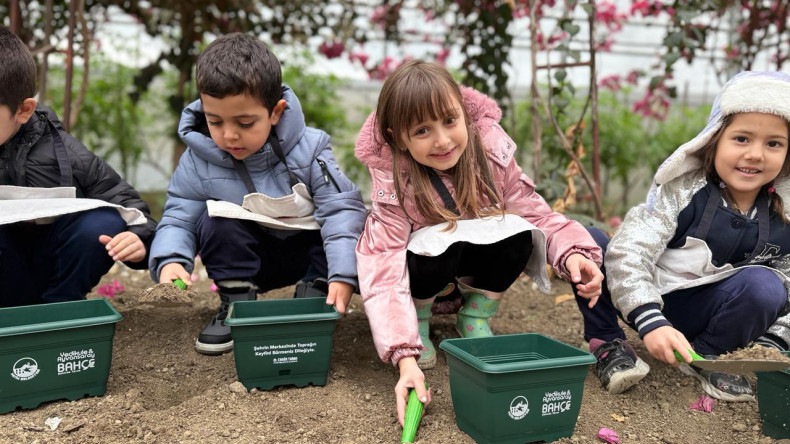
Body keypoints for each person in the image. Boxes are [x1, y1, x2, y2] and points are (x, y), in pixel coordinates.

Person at [354, 60, 604, 426]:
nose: (442, 140)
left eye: (450, 121)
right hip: (422, 280)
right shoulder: (395, 180)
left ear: (465, 114)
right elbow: (383, 262)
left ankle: (474, 314)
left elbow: (536, 214)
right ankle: (419, 324)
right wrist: (404, 356)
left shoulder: (491, 154)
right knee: (427, 244)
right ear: (397, 138)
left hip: (469, 272)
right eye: (422, 130)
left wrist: (573, 253)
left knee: (518, 231)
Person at [575, 71, 790, 402]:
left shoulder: (784, 214)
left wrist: (774, 342)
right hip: (641, 297)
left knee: (766, 285)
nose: (755, 154)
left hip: (708, 310)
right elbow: (630, 251)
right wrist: (651, 320)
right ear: (714, 138)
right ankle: (606, 341)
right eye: (742, 139)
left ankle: (706, 355)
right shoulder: (681, 191)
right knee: (589, 243)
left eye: (773, 143)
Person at [149, 33, 367, 355]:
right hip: (250, 260)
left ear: (276, 112)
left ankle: (315, 297)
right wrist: (170, 261)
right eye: (215, 121)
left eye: (246, 122)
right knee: (215, 220)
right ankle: (237, 304)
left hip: (305, 256)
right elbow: (180, 218)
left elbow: (341, 210)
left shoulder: (310, 150)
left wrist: (343, 274)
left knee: (332, 223)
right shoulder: (197, 160)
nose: (229, 135)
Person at [0, 26, 157, 307]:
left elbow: (134, 210)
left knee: (104, 221)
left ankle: (61, 310)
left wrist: (138, 240)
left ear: (23, 110)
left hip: (52, 271)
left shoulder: (66, 153)